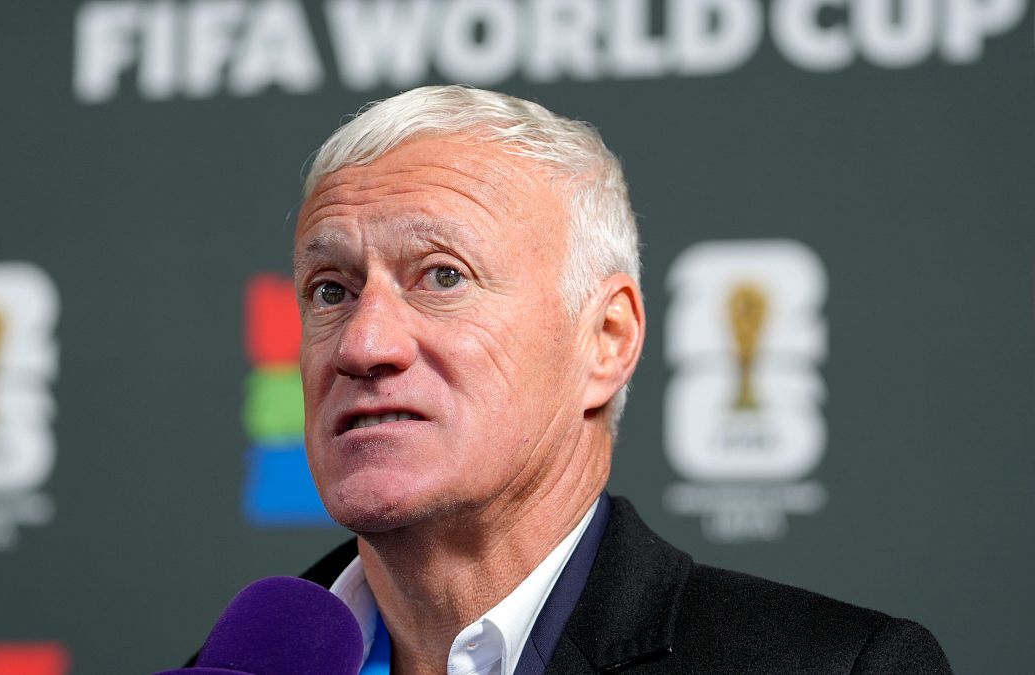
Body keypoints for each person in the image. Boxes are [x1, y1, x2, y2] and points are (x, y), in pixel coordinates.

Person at [221, 85, 951, 674]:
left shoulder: (833, 667)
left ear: (606, 341)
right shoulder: (225, 668)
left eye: (442, 275)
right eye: (330, 290)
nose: (364, 343)